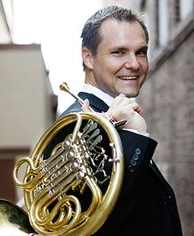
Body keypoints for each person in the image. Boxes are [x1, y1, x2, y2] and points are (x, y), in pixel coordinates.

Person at [59, 5, 183, 236]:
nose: (134, 64)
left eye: (141, 52)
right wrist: (134, 139)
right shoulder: (74, 122)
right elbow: (90, 225)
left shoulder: (119, 111)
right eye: (119, 52)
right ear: (88, 57)